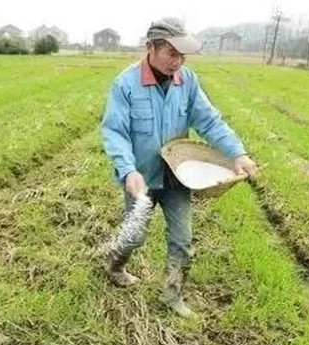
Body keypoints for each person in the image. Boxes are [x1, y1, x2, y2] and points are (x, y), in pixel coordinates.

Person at [101, 17, 257, 317]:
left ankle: (172, 295)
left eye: (182, 55)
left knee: (182, 241)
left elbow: (209, 121)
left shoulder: (187, 81)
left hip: (178, 178)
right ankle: (115, 266)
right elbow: (115, 132)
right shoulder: (126, 84)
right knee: (135, 235)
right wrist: (128, 170)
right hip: (142, 180)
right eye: (172, 53)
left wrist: (238, 153)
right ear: (151, 48)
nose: (178, 61)